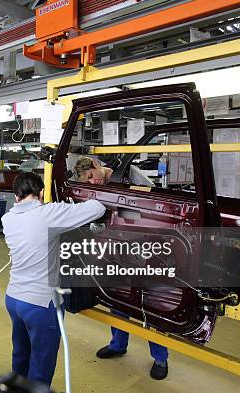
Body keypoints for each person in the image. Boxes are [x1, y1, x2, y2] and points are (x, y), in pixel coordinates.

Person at [2, 172, 106, 386]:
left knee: (20, 355)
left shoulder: (7, 218)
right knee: (41, 364)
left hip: (13, 298)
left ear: (16, 195)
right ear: (41, 192)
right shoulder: (48, 214)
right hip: (40, 304)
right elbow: (98, 208)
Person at [74, 159, 167, 379]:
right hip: (116, 249)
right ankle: (118, 344)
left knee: (150, 304)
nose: (92, 180)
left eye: (91, 174)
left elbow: (153, 199)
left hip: (144, 246)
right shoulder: (96, 188)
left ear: (97, 164)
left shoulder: (129, 173)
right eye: (86, 179)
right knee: (117, 298)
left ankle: (160, 358)